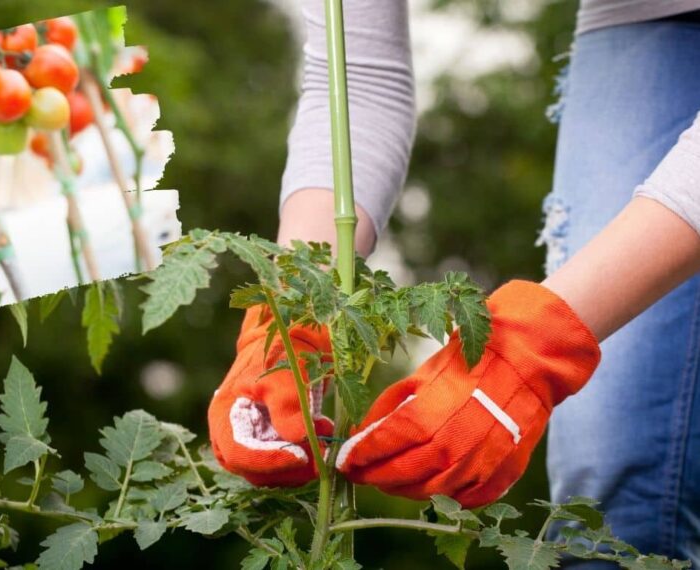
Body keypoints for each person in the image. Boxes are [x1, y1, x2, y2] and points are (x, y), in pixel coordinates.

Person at [207, 0, 700, 564]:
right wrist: (293, 307)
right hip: (643, 16)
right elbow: (355, 82)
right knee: (611, 472)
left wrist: (532, 349)